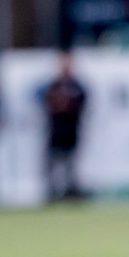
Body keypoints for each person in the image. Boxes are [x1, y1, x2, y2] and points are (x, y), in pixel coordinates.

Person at [42, 52, 86, 201]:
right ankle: (54, 191)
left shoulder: (77, 86)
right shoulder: (53, 87)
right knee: (54, 163)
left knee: (70, 163)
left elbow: (82, 104)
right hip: (55, 132)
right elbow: (46, 103)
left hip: (71, 131)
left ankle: (71, 190)